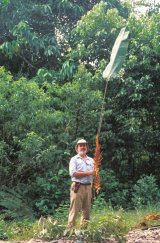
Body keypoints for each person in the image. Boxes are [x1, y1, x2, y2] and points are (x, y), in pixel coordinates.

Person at [67, 138, 95, 229]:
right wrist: (89, 173)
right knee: (74, 210)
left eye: (84, 145)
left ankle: (83, 232)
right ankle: (70, 231)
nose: (83, 147)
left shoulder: (91, 160)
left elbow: (95, 173)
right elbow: (73, 173)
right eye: (81, 145)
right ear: (77, 148)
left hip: (88, 187)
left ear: (87, 147)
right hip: (77, 186)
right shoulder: (74, 159)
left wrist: (94, 175)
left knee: (86, 211)